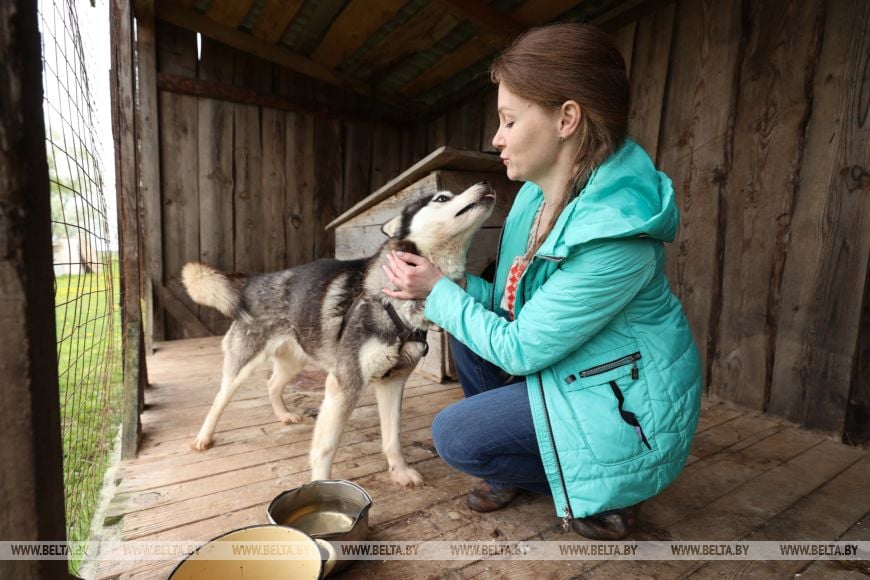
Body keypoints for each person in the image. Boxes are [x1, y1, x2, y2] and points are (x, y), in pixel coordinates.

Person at [381, 22, 702, 540]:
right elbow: (514, 307)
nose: (496, 138)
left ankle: (609, 494)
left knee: (455, 437)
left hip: (620, 409)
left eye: (509, 120)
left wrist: (440, 293)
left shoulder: (616, 238)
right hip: (575, 371)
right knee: (465, 322)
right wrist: (450, 288)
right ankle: (514, 466)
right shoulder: (533, 197)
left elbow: (521, 349)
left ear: (567, 119)